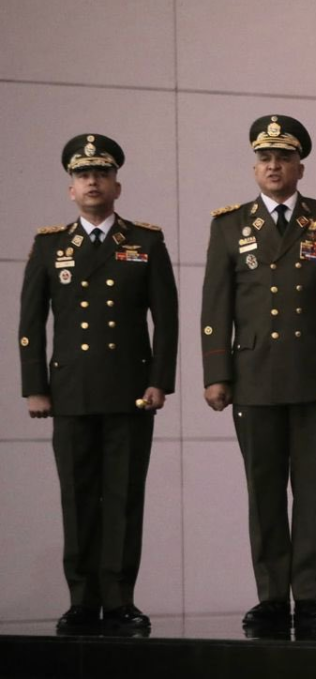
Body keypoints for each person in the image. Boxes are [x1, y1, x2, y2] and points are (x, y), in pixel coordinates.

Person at [200, 115, 316, 634]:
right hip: (254, 375)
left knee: (314, 489)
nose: (274, 166)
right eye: (265, 158)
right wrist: (216, 373)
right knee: (264, 488)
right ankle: (272, 595)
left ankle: (310, 595)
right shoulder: (229, 225)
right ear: (255, 167)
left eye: (284, 158)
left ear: (300, 166)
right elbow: (216, 305)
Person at [19, 134, 178, 632]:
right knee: (78, 495)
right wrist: (35, 387)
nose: (92, 181)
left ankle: (120, 598)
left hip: (130, 390)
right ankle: (82, 598)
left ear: (117, 185)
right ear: (71, 189)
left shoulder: (145, 242)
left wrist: (160, 382)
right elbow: (30, 323)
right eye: (82, 175)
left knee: (124, 497)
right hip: (70, 392)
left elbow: (166, 321)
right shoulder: (50, 245)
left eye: (101, 174)